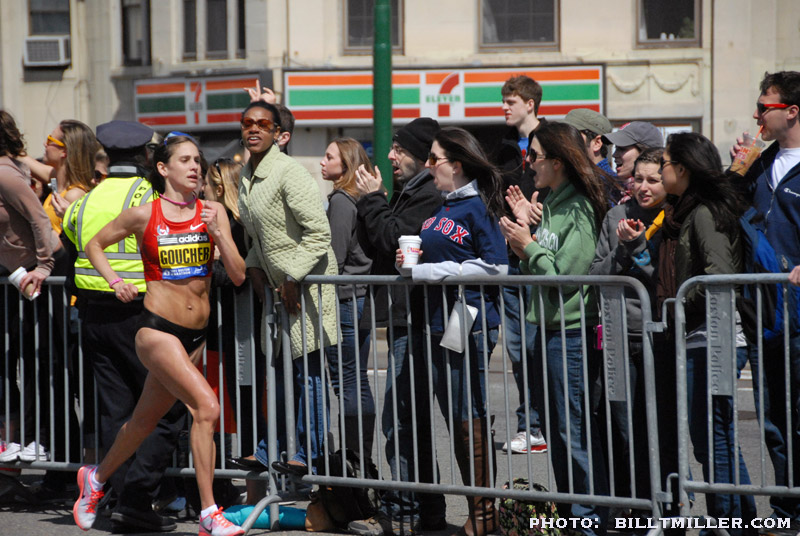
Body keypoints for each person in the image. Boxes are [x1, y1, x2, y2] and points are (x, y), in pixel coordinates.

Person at [72, 133, 246, 536]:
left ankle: (95, 480)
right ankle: (208, 513)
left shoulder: (213, 210)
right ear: (163, 169)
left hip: (196, 336)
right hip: (155, 332)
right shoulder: (144, 214)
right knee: (207, 408)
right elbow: (93, 243)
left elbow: (236, 275)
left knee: (142, 423)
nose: (195, 167)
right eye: (185, 160)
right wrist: (115, 280)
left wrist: (219, 234)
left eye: (198, 161)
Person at [63, 122, 189, 533]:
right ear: (146, 157)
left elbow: (68, 248)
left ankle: (117, 497)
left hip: (94, 318)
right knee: (165, 410)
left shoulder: (84, 201)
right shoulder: (149, 197)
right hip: (141, 314)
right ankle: (135, 500)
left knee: (114, 412)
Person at [395, 127, 508, 536]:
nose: (428, 167)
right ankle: (479, 514)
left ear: (455, 165)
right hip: (436, 323)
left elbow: (498, 267)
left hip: (468, 322)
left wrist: (428, 271)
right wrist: (407, 263)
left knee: (468, 416)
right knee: (453, 417)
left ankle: (483, 516)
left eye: (434, 160)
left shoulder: (479, 207)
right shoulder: (443, 208)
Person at [499, 121, 609, 535]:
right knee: (558, 432)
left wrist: (528, 245)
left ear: (558, 162)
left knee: (572, 429)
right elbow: (544, 263)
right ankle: (570, 510)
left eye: (536, 156)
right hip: (547, 329)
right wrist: (525, 243)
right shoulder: (554, 202)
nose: (528, 164)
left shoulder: (578, 205)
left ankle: (588, 516)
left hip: (572, 333)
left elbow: (567, 273)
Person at [656, 131, 756, 535]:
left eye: (664, 163)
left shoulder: (704, 212)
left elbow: (719, 274)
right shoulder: (691, 208)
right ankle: (741, 520)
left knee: (711, 435)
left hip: (715, 335)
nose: (661, 170)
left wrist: (680, 297)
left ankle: (729, 521)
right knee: (711, 434)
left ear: (681, 168)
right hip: (701, 335)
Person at [351, 117, 446, 535]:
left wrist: (372, 199)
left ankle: (412, 507)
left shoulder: (427, 195)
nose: (390, 156)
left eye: (399, 150)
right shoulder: (411, 191)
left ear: (424, 157)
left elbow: (394, 240)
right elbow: (382, 243)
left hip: (421, 320)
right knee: (404, 418)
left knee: (403, 418)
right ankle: (418, 506)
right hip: (407, 319)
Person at [236, 101, 337, 477]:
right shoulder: (248, 173)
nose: (254, 129)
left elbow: (318, 233)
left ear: (279, 134)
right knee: (277, 372)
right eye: (248, 123)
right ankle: (269, 449)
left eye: (264, 124)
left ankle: (308, 453)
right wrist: (254, 267)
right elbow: (257, 238)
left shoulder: (289, 172)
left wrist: (293, 277)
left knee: (306, 373)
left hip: (307, 285)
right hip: (279, 291)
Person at [733, 70, 800, 536]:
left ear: (792, 111)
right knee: (774, 418)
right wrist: (736, 170)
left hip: (799, 311)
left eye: (765, 107)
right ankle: (787, 504)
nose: (757, 115)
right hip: (765, 311)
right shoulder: (759, 162)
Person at [589, 147, 665, 507]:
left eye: (654, 179)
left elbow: (664, 281)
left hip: (658, 335)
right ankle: (633, 508)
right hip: (619, 334)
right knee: (624, 428)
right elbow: (596, 274)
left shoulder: (672, 216)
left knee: (657, 428)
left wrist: (638, 248)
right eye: (638, 178)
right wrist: (622, 249)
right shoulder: (616, 215)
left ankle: (665, 507)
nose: (644, 187)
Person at [0, 110, 62, 464]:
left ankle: (39, 440)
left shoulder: (5, 174)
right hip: (15, 274)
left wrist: (43, 266)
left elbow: (39, 219)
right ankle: (21, 438)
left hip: (40, 271)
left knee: (40, 360)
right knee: (21, 356)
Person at [495, 74, 547, 455]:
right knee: (518, 349)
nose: (504, 108)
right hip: (513, 262)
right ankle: (530, 424)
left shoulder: (553, 140)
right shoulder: (507, 151)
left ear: (530, 103)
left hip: (540, 260)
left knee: (538, 347)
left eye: (511, 101)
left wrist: (537, 213)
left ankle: (539, 423)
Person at [319, 138, 375, 458]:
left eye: (330, 157)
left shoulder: (342, 200)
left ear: (347, 164)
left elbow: (335, 257)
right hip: (357, 297)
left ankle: (355, 456)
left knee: (349, 382)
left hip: (344, 299)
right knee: (355, 380)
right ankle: (359, 456)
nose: (323, 162)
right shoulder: (357, 197)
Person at [21, 119, 99, 232]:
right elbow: (21, 158)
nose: (45, 144)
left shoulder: (74, 195)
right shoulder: (57, 179)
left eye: (50, 140)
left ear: (64, 151)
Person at [564, 108, 620, 203]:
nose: (565, 141)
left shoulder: (609, 187)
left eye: (572, 134)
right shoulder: (569, 179)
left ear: (597, 143)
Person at [602, 121, 664, 195]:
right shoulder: (615, 192)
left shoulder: (664, 199)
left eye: (622, 149)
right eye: (616, 148)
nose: (614, 155)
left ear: (645, 153)